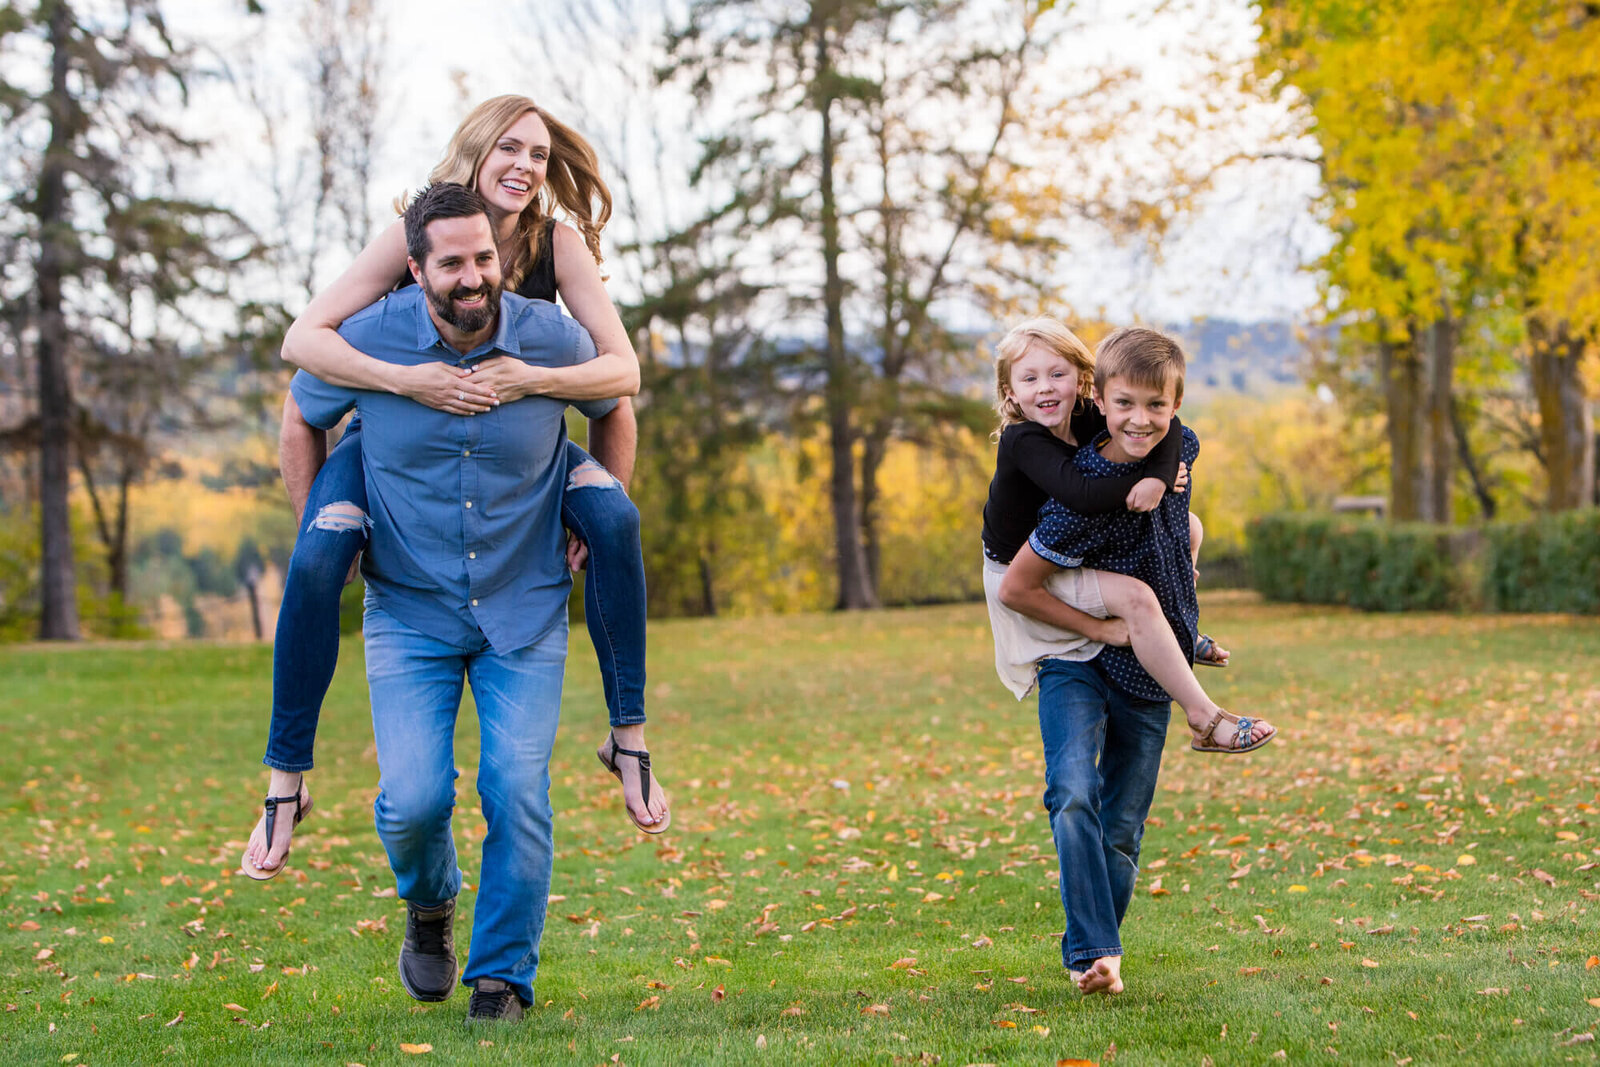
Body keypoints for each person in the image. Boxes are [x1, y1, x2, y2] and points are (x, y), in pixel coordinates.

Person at [242, 95, 666, 882]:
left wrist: (530, 382)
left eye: (539, 155)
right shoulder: (415, 229)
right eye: (510, 148)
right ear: (473, 149)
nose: (526, 167)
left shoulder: (555, 245)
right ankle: (284, 783)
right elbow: (303, 339)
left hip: (523, 442)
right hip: (391, 441)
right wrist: (409, 383)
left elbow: (622, 373)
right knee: (313, 556)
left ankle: (629, 735)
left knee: (613, 517)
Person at [281, 182, 600, 1021]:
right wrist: (325, 533)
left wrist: (600, 505)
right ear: (415, 269)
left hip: (524, 608)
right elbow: (301, 415)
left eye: (484, 258)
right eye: (451, 262)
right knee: (414, 799)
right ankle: (430, 909)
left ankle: (501, 976)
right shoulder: (370, 337)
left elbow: (616, 397)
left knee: (516, 788)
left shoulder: (549, 336)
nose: (473, 277)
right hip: (408, 609)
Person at [1000, 326, 1276, 998]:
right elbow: (1017, 586)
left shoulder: (1178, 451)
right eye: (1125, 405)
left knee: (1122, 828)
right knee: (1072, 791)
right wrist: (1104, 629)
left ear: (1175, 405)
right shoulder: (1072, 492)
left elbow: (1182, 440)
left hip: (1149, 669)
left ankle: (1096, 958)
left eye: (1158, 407)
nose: (1141, 419)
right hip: (1076, 657)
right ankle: (1095, 948)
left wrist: (1163, 472)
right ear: (1104, 398)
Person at [981, 317, 1272, 752]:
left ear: (1083, 383)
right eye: (1029, 378)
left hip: (1068, 549)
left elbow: (1170, 424)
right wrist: (1149, 479)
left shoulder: (1088, 413)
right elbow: (1079, 493)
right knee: (1134, 597)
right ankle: (1205, 718)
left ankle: (1178, 630)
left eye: (1056, 375)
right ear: (1010, 393)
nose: (1044, 388)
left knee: (1190, 526)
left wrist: (1156, 474)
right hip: (1023, 566)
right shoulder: (1023, 440)